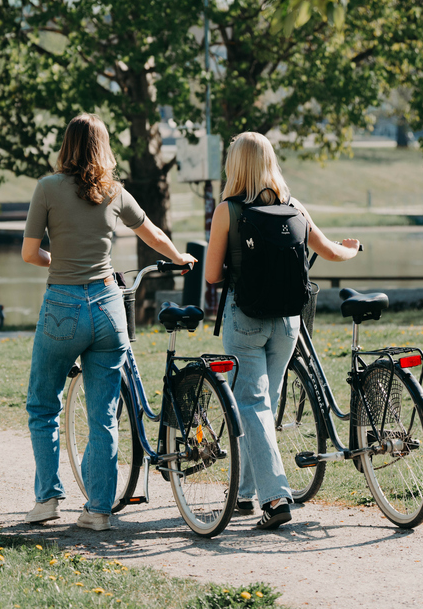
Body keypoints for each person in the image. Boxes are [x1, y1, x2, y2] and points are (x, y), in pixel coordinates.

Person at [21, 113, 196, 531]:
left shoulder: (47, 188)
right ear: (103, 148)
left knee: (43, 404)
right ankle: (99, 509)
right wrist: (179, 258)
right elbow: (152, 233)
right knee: (103, 414)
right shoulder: (115, 192)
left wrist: (56, 261)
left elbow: (30, 253)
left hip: (62, 305)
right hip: (108, 305)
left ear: (67, 145)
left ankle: (47, 500)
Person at [204, 132, 360, 530]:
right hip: (289, 322)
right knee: (263, 405)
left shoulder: (229, 210)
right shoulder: (294, 207)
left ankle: (274, 498)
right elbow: (329, 251)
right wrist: (353, 249)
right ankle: (243, 492)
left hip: (246, 320)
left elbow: (211, 275)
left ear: (235, 165)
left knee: (252, 405)